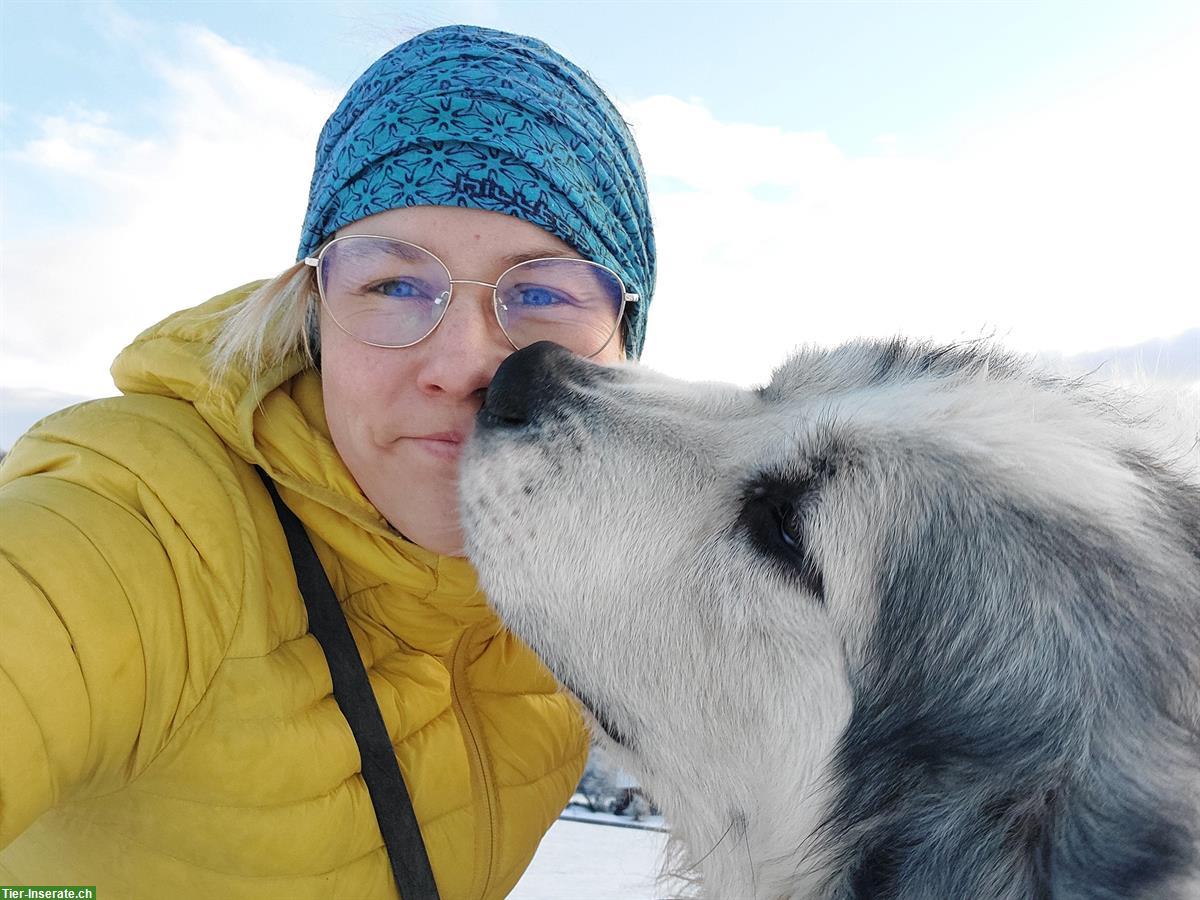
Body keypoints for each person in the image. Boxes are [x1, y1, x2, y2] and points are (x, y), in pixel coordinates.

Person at [0, 25, 655, 899]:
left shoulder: (614, 599)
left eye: (540, 293)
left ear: (625, 343)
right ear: (314, 313)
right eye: (394, 286)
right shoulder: (153, 522)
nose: (461, 364)